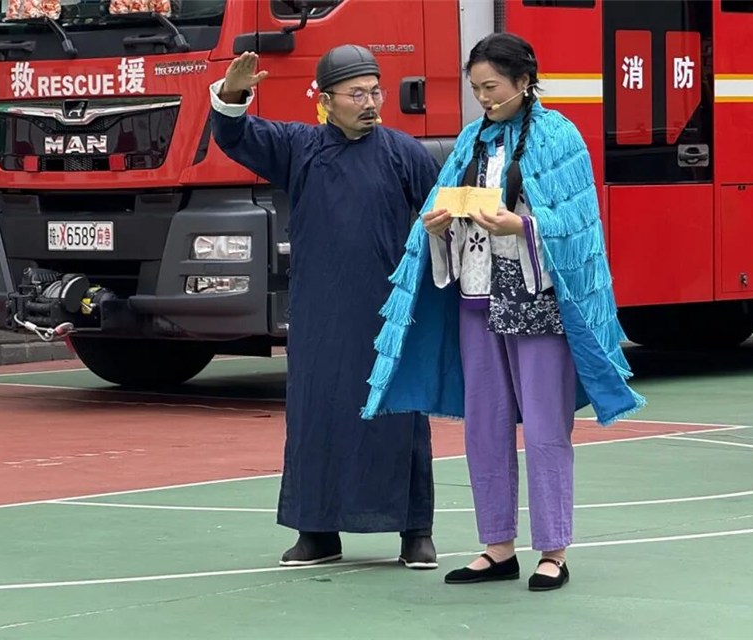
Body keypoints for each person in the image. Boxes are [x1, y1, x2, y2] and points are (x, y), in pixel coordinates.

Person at [361, 33, 646, 592]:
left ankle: (553, 550)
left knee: (544, 427)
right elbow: (438, 207)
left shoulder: (559, 136)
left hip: (536, 298)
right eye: (476, 89)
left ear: (524, 81)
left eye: (491, 87)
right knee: (485, 426)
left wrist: (522, 225)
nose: (484, 98)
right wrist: (435, 224)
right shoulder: (472, 139)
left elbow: (577, 224)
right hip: (476, 292)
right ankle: (497, 547)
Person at [209, 45, 441, 569]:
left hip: (388, 312)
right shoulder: (299, 147)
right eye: (356, 94)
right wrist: (233, 92)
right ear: (326, 100)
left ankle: (415, 531)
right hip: (319, 312)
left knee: (398, 415)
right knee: (316, 412)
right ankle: (316, 531)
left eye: (375, 92)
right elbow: (234, 134)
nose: (369, 103)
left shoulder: (404, 152)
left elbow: (441, 214)